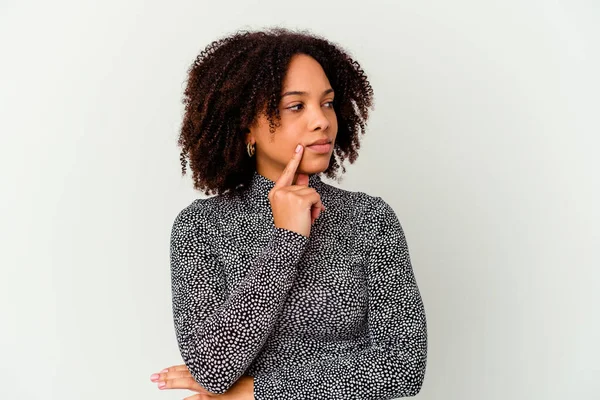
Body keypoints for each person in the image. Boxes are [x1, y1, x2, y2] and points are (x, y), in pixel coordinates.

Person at [149, 27, 428, 400]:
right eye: (296, 106)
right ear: (247, 126)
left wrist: (254, 392)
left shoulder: (369, 219)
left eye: (327, 103)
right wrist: (287, 240)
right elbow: (211, 369)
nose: (321, 121)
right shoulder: (201, 226)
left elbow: (403, 368)